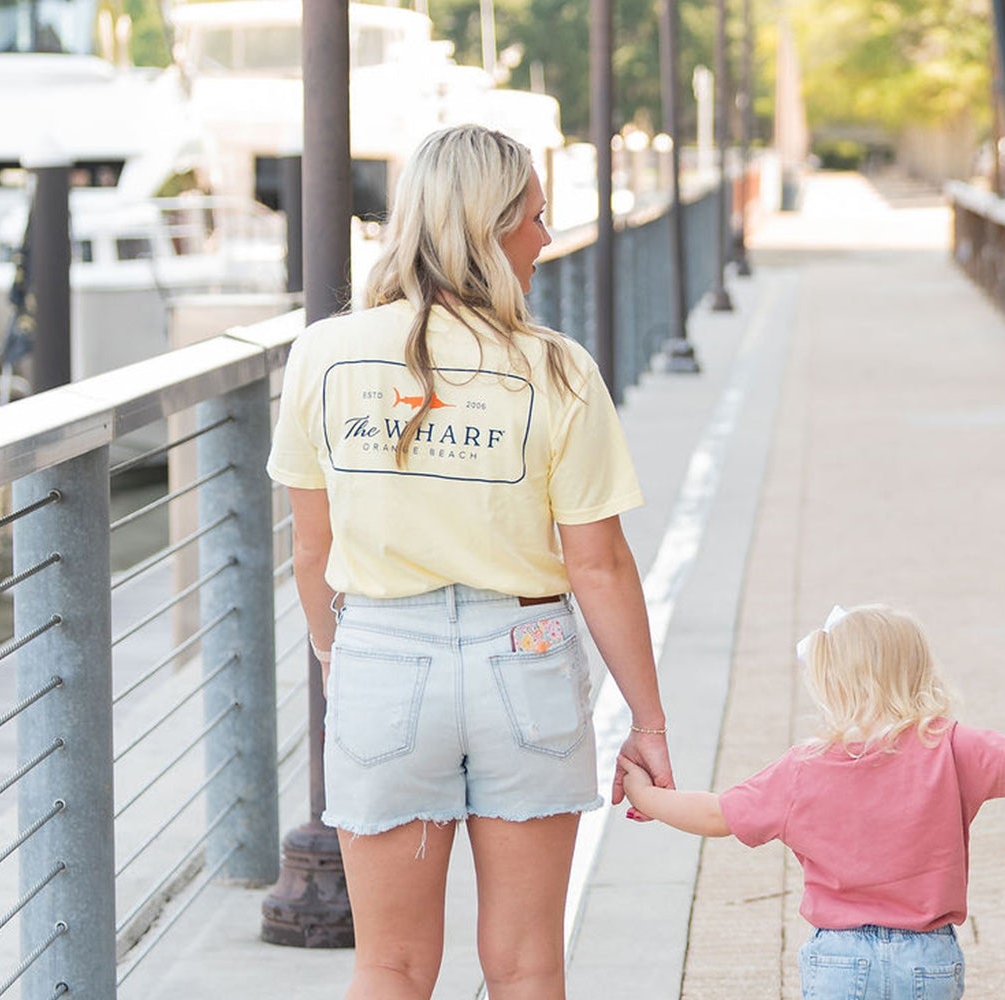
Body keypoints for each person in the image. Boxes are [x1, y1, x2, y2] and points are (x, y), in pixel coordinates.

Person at [268, 124, 676, 1000]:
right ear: (488, 230)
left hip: (382, 657)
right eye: (535, 217)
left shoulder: (323, 355)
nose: (546, 238)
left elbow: (310, 548)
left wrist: (341, 660)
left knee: (389, 965)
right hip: (523, 662)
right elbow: (599, 566)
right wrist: (647, 725)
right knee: (527, 966)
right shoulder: (558, 370)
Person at [622, 605, 1005, 999]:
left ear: (831, 682)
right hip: (927, 957)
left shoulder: (804, 767)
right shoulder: (949, 747)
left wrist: (648, 795)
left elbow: (716, 814)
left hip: (837, 958)